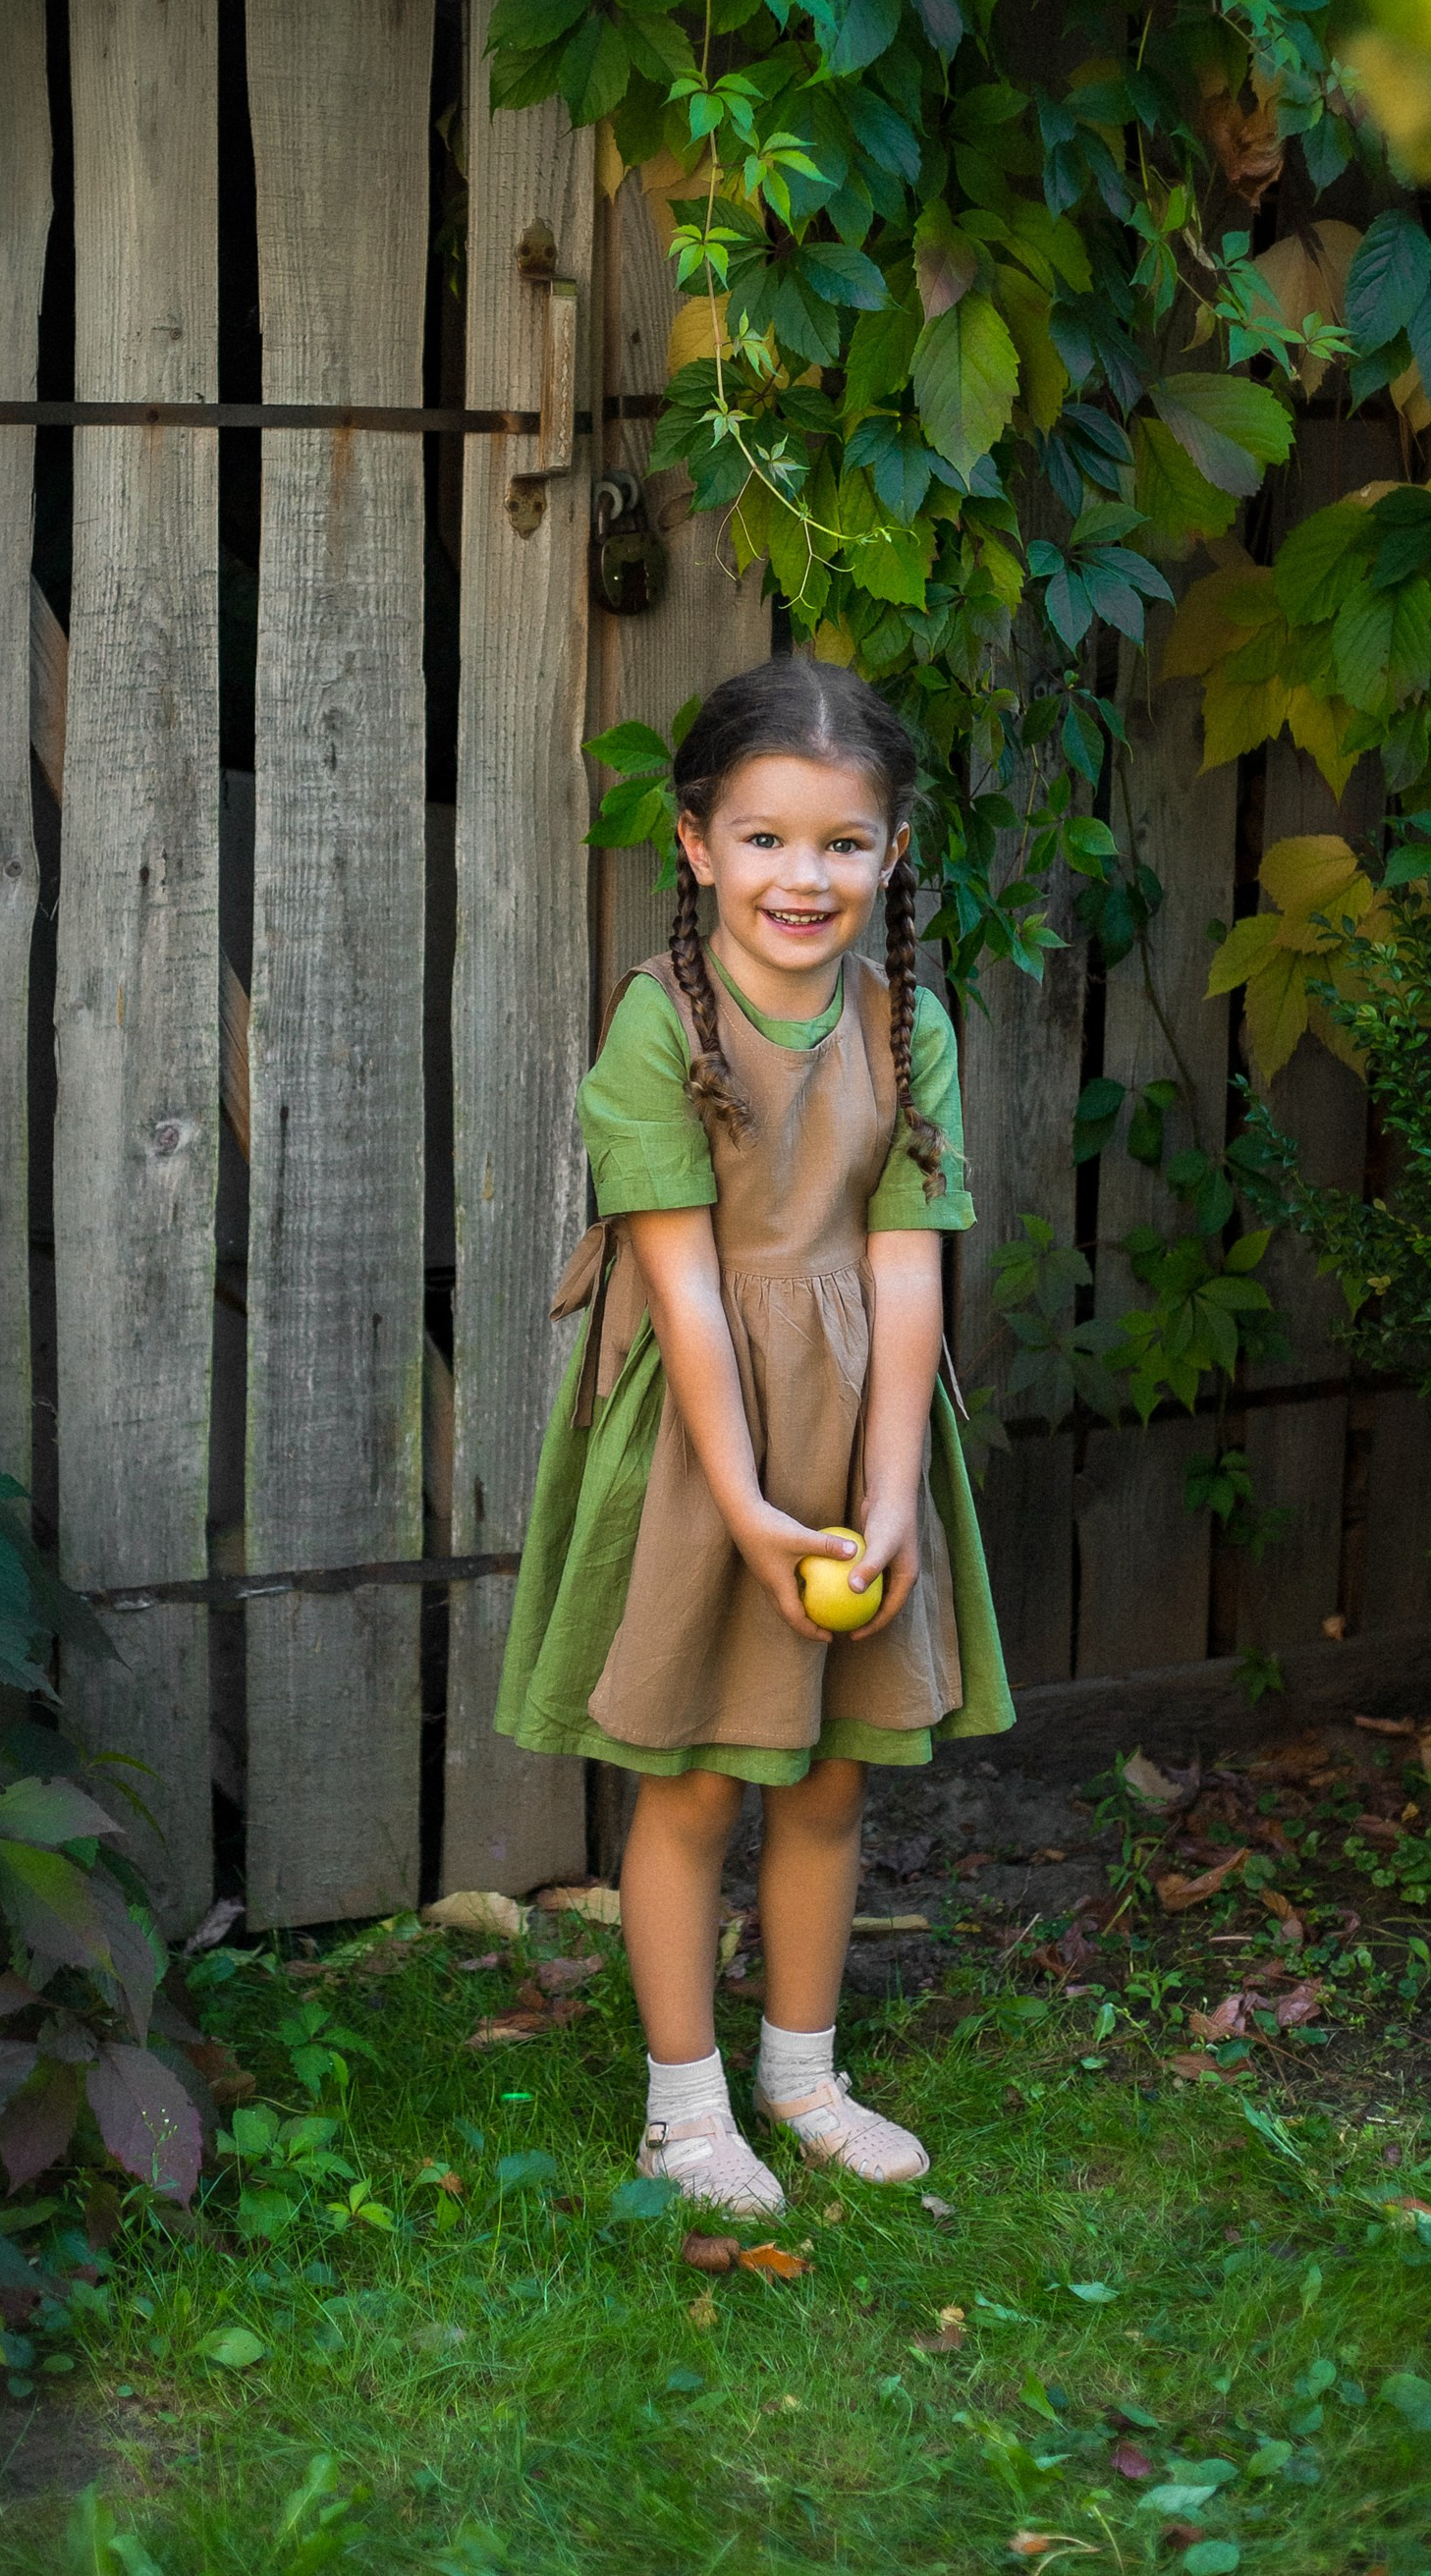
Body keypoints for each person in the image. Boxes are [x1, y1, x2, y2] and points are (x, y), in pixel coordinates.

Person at [497, 655, 1012, 2217]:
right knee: (697, 1785)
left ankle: (800, 2072)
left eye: (842, 843)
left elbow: (909, 1265)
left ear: (892, 854)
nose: (806, 875)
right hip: (702, 1441)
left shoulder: (905, 1025)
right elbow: (689, 1293)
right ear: (697, 840)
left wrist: (892, 1492)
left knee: (834, 1777)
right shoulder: (660, 1025)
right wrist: (746, 1506)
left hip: (859, 1425)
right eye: (769, 838)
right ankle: (681, 2109)